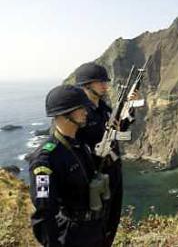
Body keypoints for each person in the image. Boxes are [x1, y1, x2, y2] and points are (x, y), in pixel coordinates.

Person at [28, 85, 106, 247]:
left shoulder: (80, 144)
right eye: (80, 108)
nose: (86, 111)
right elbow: (44, 213)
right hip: (71, 236)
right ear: (64, 115)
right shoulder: (45, 160)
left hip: (93, 231)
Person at [75, 62, 136, 246]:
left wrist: (129, 108)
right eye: (100, 82)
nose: (105, 85)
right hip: (97, 176)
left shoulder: (105, 108)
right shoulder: (81, 113)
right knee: (97, 223)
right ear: (87, 85)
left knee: (113, 219)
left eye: (105, 81)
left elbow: (120, 129)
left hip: (114, 172)